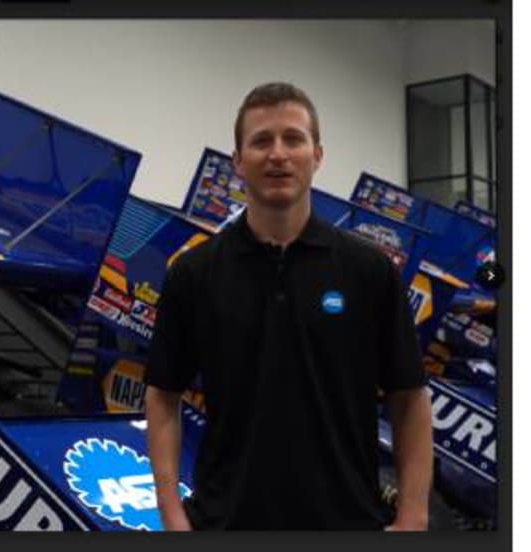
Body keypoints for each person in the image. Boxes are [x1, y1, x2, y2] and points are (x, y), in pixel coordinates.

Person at [144, 82, 433, 530]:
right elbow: (163, 397)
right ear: (238, 161)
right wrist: (171, 516)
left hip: (348, 522)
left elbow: (409, 398)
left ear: (317, 155)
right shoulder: (194, 273)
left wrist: (413, 515)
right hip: (227, 522)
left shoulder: (369, 271)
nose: (278, 154)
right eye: (261, 141)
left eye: (293, 139)